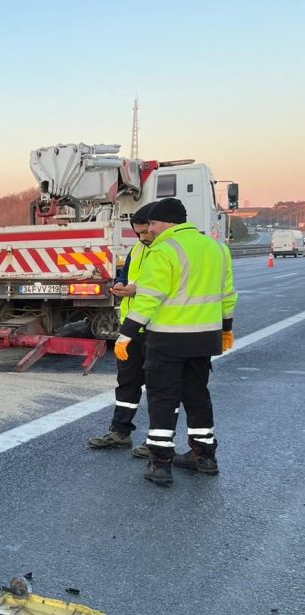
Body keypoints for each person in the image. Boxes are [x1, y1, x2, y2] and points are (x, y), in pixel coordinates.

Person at [114, 198, 237, 486]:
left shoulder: (164, 249)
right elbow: (228, 294)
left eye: (153, 224)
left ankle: (160, 463)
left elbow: (148, 299)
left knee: (163, 399)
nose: (151, 230)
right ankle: (205, 457)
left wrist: (127, 333)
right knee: (197, 397)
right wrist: (226, 329)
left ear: (166, 222)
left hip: (168, 340)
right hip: (205, 339)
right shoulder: (218, 249)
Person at [89, 206, 155, 454]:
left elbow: (167, 287)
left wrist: (136, 290)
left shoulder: (166, 251)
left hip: (158, 328)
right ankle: (120, 431)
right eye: (138, 233)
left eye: (145, 232)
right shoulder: (138, 249)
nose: (142, 237)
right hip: (132, 327)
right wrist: (120, 283)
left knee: (159, 387)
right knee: (127, 382)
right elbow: (126, 274)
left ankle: (157, 441)